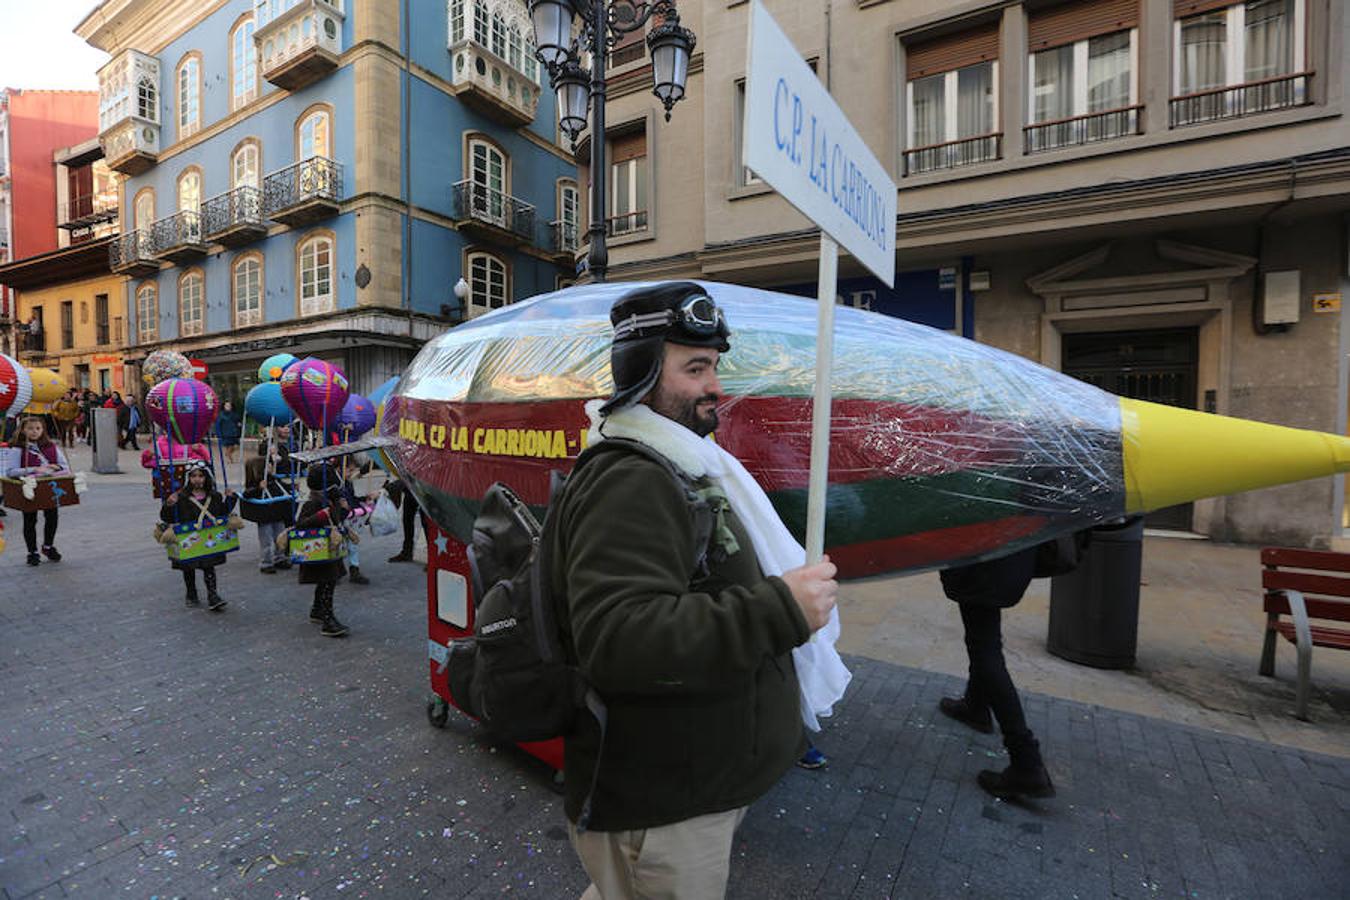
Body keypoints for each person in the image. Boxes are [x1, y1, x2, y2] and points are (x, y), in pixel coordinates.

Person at [547, 282, 840, 897]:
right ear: (643, 374)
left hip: (689, 788)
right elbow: (621, 640)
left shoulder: (679, 463)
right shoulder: (632, 479)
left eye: (714, 366)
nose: (715, 386)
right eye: (695, 368)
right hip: (661, 813)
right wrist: (779, 609)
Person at [937, 547, 1056, 800]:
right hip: (1008, 555)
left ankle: (1026, 762)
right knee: (984, 637)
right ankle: (976, 705)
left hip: (984, 556)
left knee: (985, 648)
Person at [161, 461, 236, 610]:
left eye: (201, 476)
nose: (197, 479)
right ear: (188, 478)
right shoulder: (180, 497)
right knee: (188, 567)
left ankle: (213, 595)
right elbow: (167, 517)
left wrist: (230, 499)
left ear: (206, 477)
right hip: (188, 538)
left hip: (207, 536)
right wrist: (169, 504)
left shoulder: (214, 496)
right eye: (193, 476)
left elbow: (222, 513)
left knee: (209, 566)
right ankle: (191, 593)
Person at [294, 463, 352, 637]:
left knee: (327, 581)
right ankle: (328, 619)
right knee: (327, 582)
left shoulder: (330, 501)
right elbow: (300, 524)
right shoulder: (313, 504)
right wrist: (320, 516)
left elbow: (336, 519)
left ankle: (317, 609)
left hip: (329, 550)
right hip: (319, 549)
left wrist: (343, 509)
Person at [5, 416, 69, 566]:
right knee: (30, 520)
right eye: (30, 429)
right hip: (29, 489)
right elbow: (10, 471)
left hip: (48, 487)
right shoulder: (17, 448)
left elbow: (64, 466)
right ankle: (32, 552)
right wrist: (34, 469)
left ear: (43, 430)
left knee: (52, 517)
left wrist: (57, 467)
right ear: (23, 430)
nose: (34, 432)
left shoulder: (51, 446)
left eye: (38, 428)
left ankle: (48, 546)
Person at [244, 423, 297, 574]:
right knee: (266, 540)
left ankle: (280, 558)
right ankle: (266, 562)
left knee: (280, 535)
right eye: (268, 465)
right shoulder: (258, 481)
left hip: (277, 511)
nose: (270, 467)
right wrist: (259, 487)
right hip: (265, 515)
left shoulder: (274, 480)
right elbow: (248, 493)